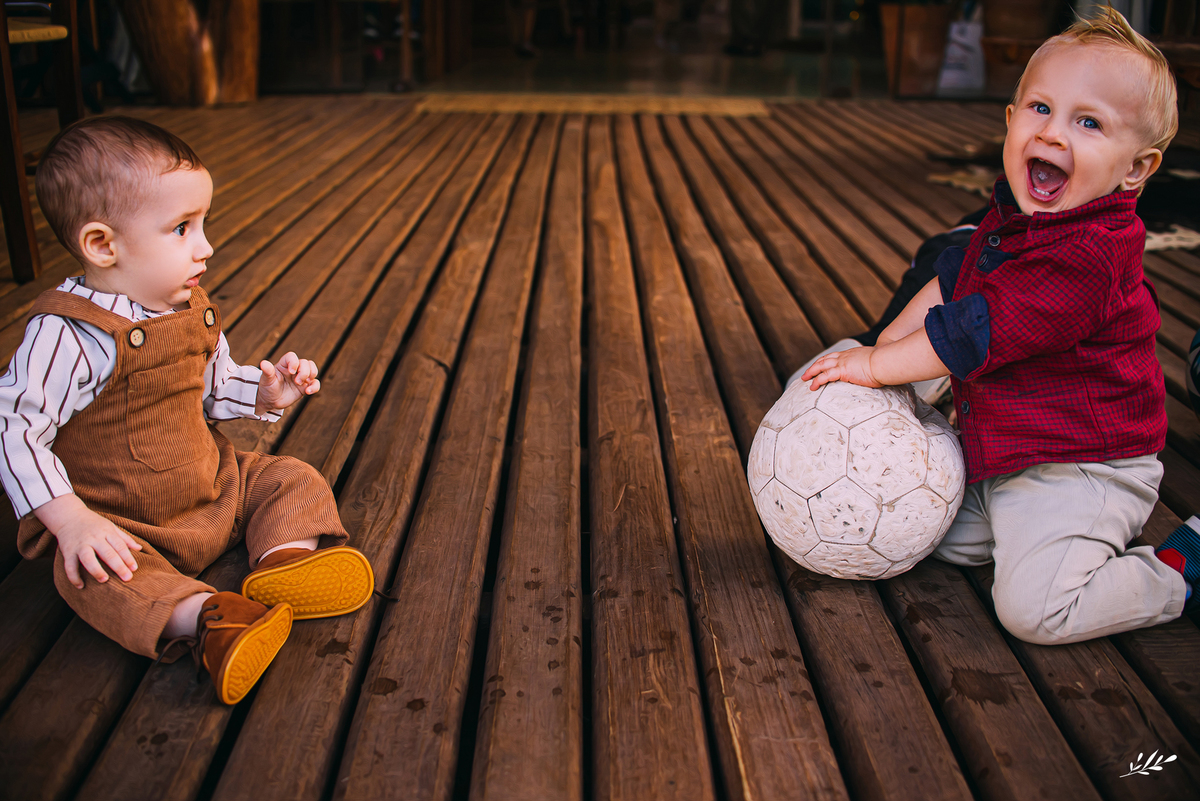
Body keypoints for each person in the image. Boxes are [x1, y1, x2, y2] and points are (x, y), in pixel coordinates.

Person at [801, 7, 1194, 644]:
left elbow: (970, 332)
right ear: (1010, 123)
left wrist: (872, 368)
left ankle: (1176, 571)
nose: (1055, 134)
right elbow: (950, 285)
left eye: (1088, 122)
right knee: (918, 530)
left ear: (1135, 170)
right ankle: (1022, 532)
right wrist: (880, 353)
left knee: (1034, 612)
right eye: (1040, 109)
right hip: (1010, 445)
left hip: (1084, 461)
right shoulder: (1017, 214)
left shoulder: (1089, 254)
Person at [0, 117, 374, 704]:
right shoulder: (68, 334)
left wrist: (264, 392)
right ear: (102, 244)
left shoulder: (188, 305)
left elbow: (209, 386)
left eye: (203, 223)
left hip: (212, 487)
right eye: (181, 228)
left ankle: (283, 563)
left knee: (288, 475)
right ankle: (214, 619)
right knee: (96, 579)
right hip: (122, 525)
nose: (206, 246)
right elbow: (15, 430)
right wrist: (72, 521)